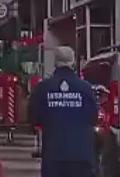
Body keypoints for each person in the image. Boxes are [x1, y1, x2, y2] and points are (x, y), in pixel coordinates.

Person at [28, 46, 98, 177]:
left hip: (53, 156)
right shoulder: (86, 88)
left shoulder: (42, 88)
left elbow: (34, 118)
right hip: (81, 156)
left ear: (55, 62)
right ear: (73, 62)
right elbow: (93, 117)